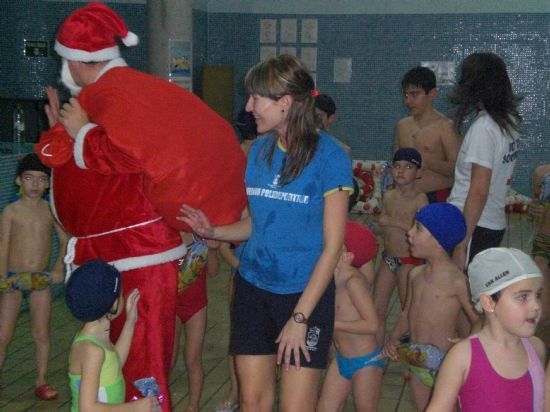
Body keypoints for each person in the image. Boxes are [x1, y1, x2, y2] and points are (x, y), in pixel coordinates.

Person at [35, 3, 246, 409]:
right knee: (119, 359)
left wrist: (81, 135)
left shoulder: (113, 96)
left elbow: (132, 155)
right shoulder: (125, 91)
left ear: (76, 63)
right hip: (123, 253)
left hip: (139, 254)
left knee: (144, 366)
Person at [180, 54, 353, 412]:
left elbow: (332, 248)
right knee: (253, 402)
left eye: (256, 98)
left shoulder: (331, 157)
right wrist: (215, 230)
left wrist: (300, 318)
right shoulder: (258, 151)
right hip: (252, 289)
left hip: (305, 295)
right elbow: (256, 223)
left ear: (285, 103)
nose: (248, 107)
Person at [383, 203, 480, 411]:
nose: (409, 233)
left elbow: (478, 321)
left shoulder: (456, 281)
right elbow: (407, 312)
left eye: (417, 228)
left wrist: (469, 343)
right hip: (417, 359)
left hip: (445, 364)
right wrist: (394, 337)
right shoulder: (415, 274)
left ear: (438, 240)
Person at [427, 248, 545, 412]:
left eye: (538, 295)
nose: (536, 306)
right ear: (489, 303)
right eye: (523, 297)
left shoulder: (535, 348)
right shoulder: (463, 356)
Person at [0, 153, 68, 400]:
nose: (35, 184)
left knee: (41, 333)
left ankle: (41, 380)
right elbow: (3, 246)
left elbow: (65, 241)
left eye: (41, 179)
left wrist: (59, 268)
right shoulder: (11, 211)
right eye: (29, 178)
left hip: (40, 281)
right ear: (19, 180)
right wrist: (2, 278)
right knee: (3, 334)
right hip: (13, 279)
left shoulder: (50, 211)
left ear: (48, 183)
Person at [447, 52, 521, 270]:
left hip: (472, 225)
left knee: (463, 296)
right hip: (491, 222)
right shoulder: (508, 122)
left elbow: (479, 189)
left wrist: (462, 244)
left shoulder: (484, 128)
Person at [66, 259, 160, 411]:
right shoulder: (91, 351)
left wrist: (130, 322)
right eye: (121, 294)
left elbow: (114, 364)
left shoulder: (96, 338)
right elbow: (88, 408)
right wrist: (133, 408)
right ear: (113, 304)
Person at [317, 221, 380, 412]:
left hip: (365, 362)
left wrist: (333, 324)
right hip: (341, 360)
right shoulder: (328, 279)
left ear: (347, 256)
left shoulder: (353, 281)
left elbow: (372, 325)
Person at [373, 147, 428, 344]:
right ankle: (376, 353)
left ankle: (414, 355)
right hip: (388, 258)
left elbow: (421, 232)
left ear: (418, 172)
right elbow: (383, 224)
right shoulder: (389, 195)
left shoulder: (420, 200)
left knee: (408, 310)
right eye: (397, 166)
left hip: (409, 261)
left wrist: (393, 222)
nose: (401, 171)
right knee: (376, 308)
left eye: (408, 167)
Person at [393, 67, 460, 203]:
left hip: (437, 198)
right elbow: (395, 162)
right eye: (406, 95)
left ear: (432, 93)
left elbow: (458, 169)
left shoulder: (445, 126)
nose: (408, 101)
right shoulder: (402, 125)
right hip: (406, 197)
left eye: (414, 94)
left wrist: (427, 162)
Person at [171, 233, 220, 412]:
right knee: (169, 358)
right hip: (172, 306)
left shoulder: (201, 238)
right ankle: (162, 401)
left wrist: (213, 251)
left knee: (193, 358)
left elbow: (214, 272)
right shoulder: (169, 237)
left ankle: (193, 406)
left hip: (196, 306)